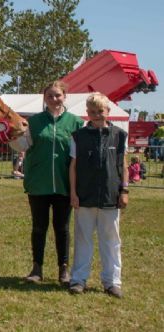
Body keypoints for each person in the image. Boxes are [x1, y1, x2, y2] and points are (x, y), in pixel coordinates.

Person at [10, 80, 84, 285]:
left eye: (57, 95)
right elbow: (21, 145)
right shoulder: (33, 123)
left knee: (62, 228)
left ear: (65, 96)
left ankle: (63, 269)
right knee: (39, 227)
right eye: (50, 95)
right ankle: (37, 268)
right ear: (44, 98)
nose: (54, 99)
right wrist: (9, 135)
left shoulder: (76, 123)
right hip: (38, 183)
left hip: (64, 184)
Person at [68, 92, 128, 298]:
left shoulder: (119, 135)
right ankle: (78, 280)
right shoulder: (78, 136)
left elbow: (123, 165)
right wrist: (73, 193)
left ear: (108, 111)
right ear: (87, 114)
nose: (96, 115)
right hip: (84, 195)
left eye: (100, 111)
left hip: (111, 196)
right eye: (92, 112)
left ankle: (112, 282)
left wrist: (124, 190)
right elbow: (73, 167)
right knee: (83, 239)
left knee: (111, 240)